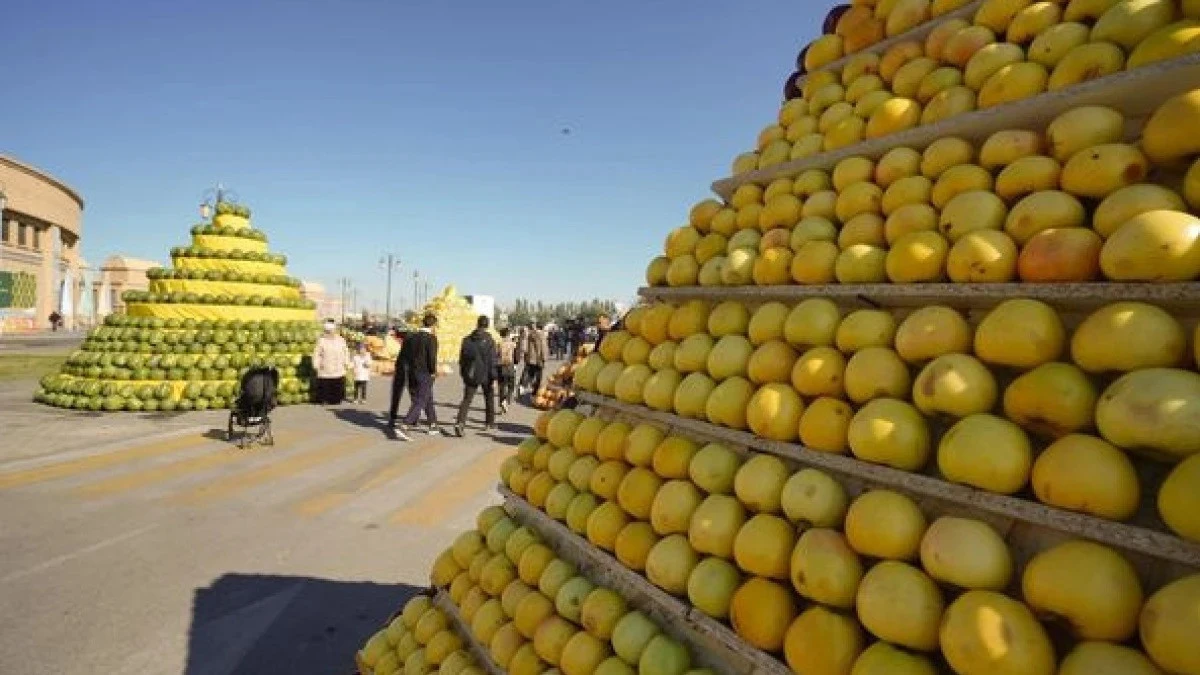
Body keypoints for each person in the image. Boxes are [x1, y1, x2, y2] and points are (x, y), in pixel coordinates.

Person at [395, 313, 441, 441]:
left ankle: (433, 424)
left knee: (427, 397)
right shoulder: (431, 339)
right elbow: (431, 357)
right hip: (424, 372)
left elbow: (405, 354)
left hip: (411, 371)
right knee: (421, 399)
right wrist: (433, 371)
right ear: (433, 325)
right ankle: (405, 425)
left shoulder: (412, 337)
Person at [453, 316, 497, 436]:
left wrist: (464, 373)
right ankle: (489, 422)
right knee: (489, 398)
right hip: (486, 375)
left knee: (466, 400)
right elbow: (492, 360)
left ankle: (460, 423)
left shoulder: (467, 340)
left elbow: (462, 359)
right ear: (487, 325)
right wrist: (494, 377)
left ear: (477, 324)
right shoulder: (489, 341)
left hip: (471, 374)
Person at [312, 320, 350, 405]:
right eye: (328, 331)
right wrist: (316, 364)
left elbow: (346, 351)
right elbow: (316, 354)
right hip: (325, 366)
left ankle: (336, 399)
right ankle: (324, 400)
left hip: (338, 366)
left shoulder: (341, 340)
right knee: (325, 384)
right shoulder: (321, 341)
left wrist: (347, 362)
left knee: (337, 383)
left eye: (331, 331)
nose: (329, 333)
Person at [386, 328, 410, 428]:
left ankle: (392, 418)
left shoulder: (401, 344)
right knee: (413, 395)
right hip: (409, 371)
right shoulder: (409, 343)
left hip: (401, 371)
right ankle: (414, 418)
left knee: (396, 395)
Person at [522, 322, 549, 400]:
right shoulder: (541, 335)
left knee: (530, 373)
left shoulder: (531, 334)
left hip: (531, 358)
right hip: (538, 359)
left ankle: (524, 386)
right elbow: (543, 347)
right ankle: (534, 393)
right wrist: (544, 358)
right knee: (538, 376)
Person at [495, 327, 517, 415]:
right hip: (510, 366)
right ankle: (506, 400)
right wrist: (516, 363)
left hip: (500, 367)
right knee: (511, 386)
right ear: (508, 334)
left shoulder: (498, 344)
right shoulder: (513, 344)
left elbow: (495, 356)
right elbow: (516, 356)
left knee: (501, 387)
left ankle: (502, 402)